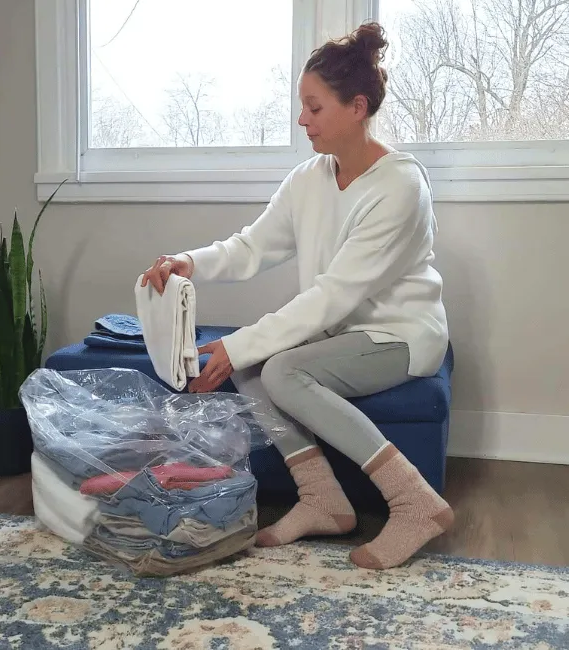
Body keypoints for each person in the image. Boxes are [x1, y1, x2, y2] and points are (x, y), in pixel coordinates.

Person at [140, 22, 454, 570]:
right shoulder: (310, 177)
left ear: (357, 107)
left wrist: (240, 345)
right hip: (341, 330)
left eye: (314, 107)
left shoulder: (400, 186)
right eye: (301, 106)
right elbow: (254, 246)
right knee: (256, 363)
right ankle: (324, 500)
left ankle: (415, 502)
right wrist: (190, 261)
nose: (301, 119)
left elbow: (333, 295)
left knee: (274, 367)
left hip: (398, 335)